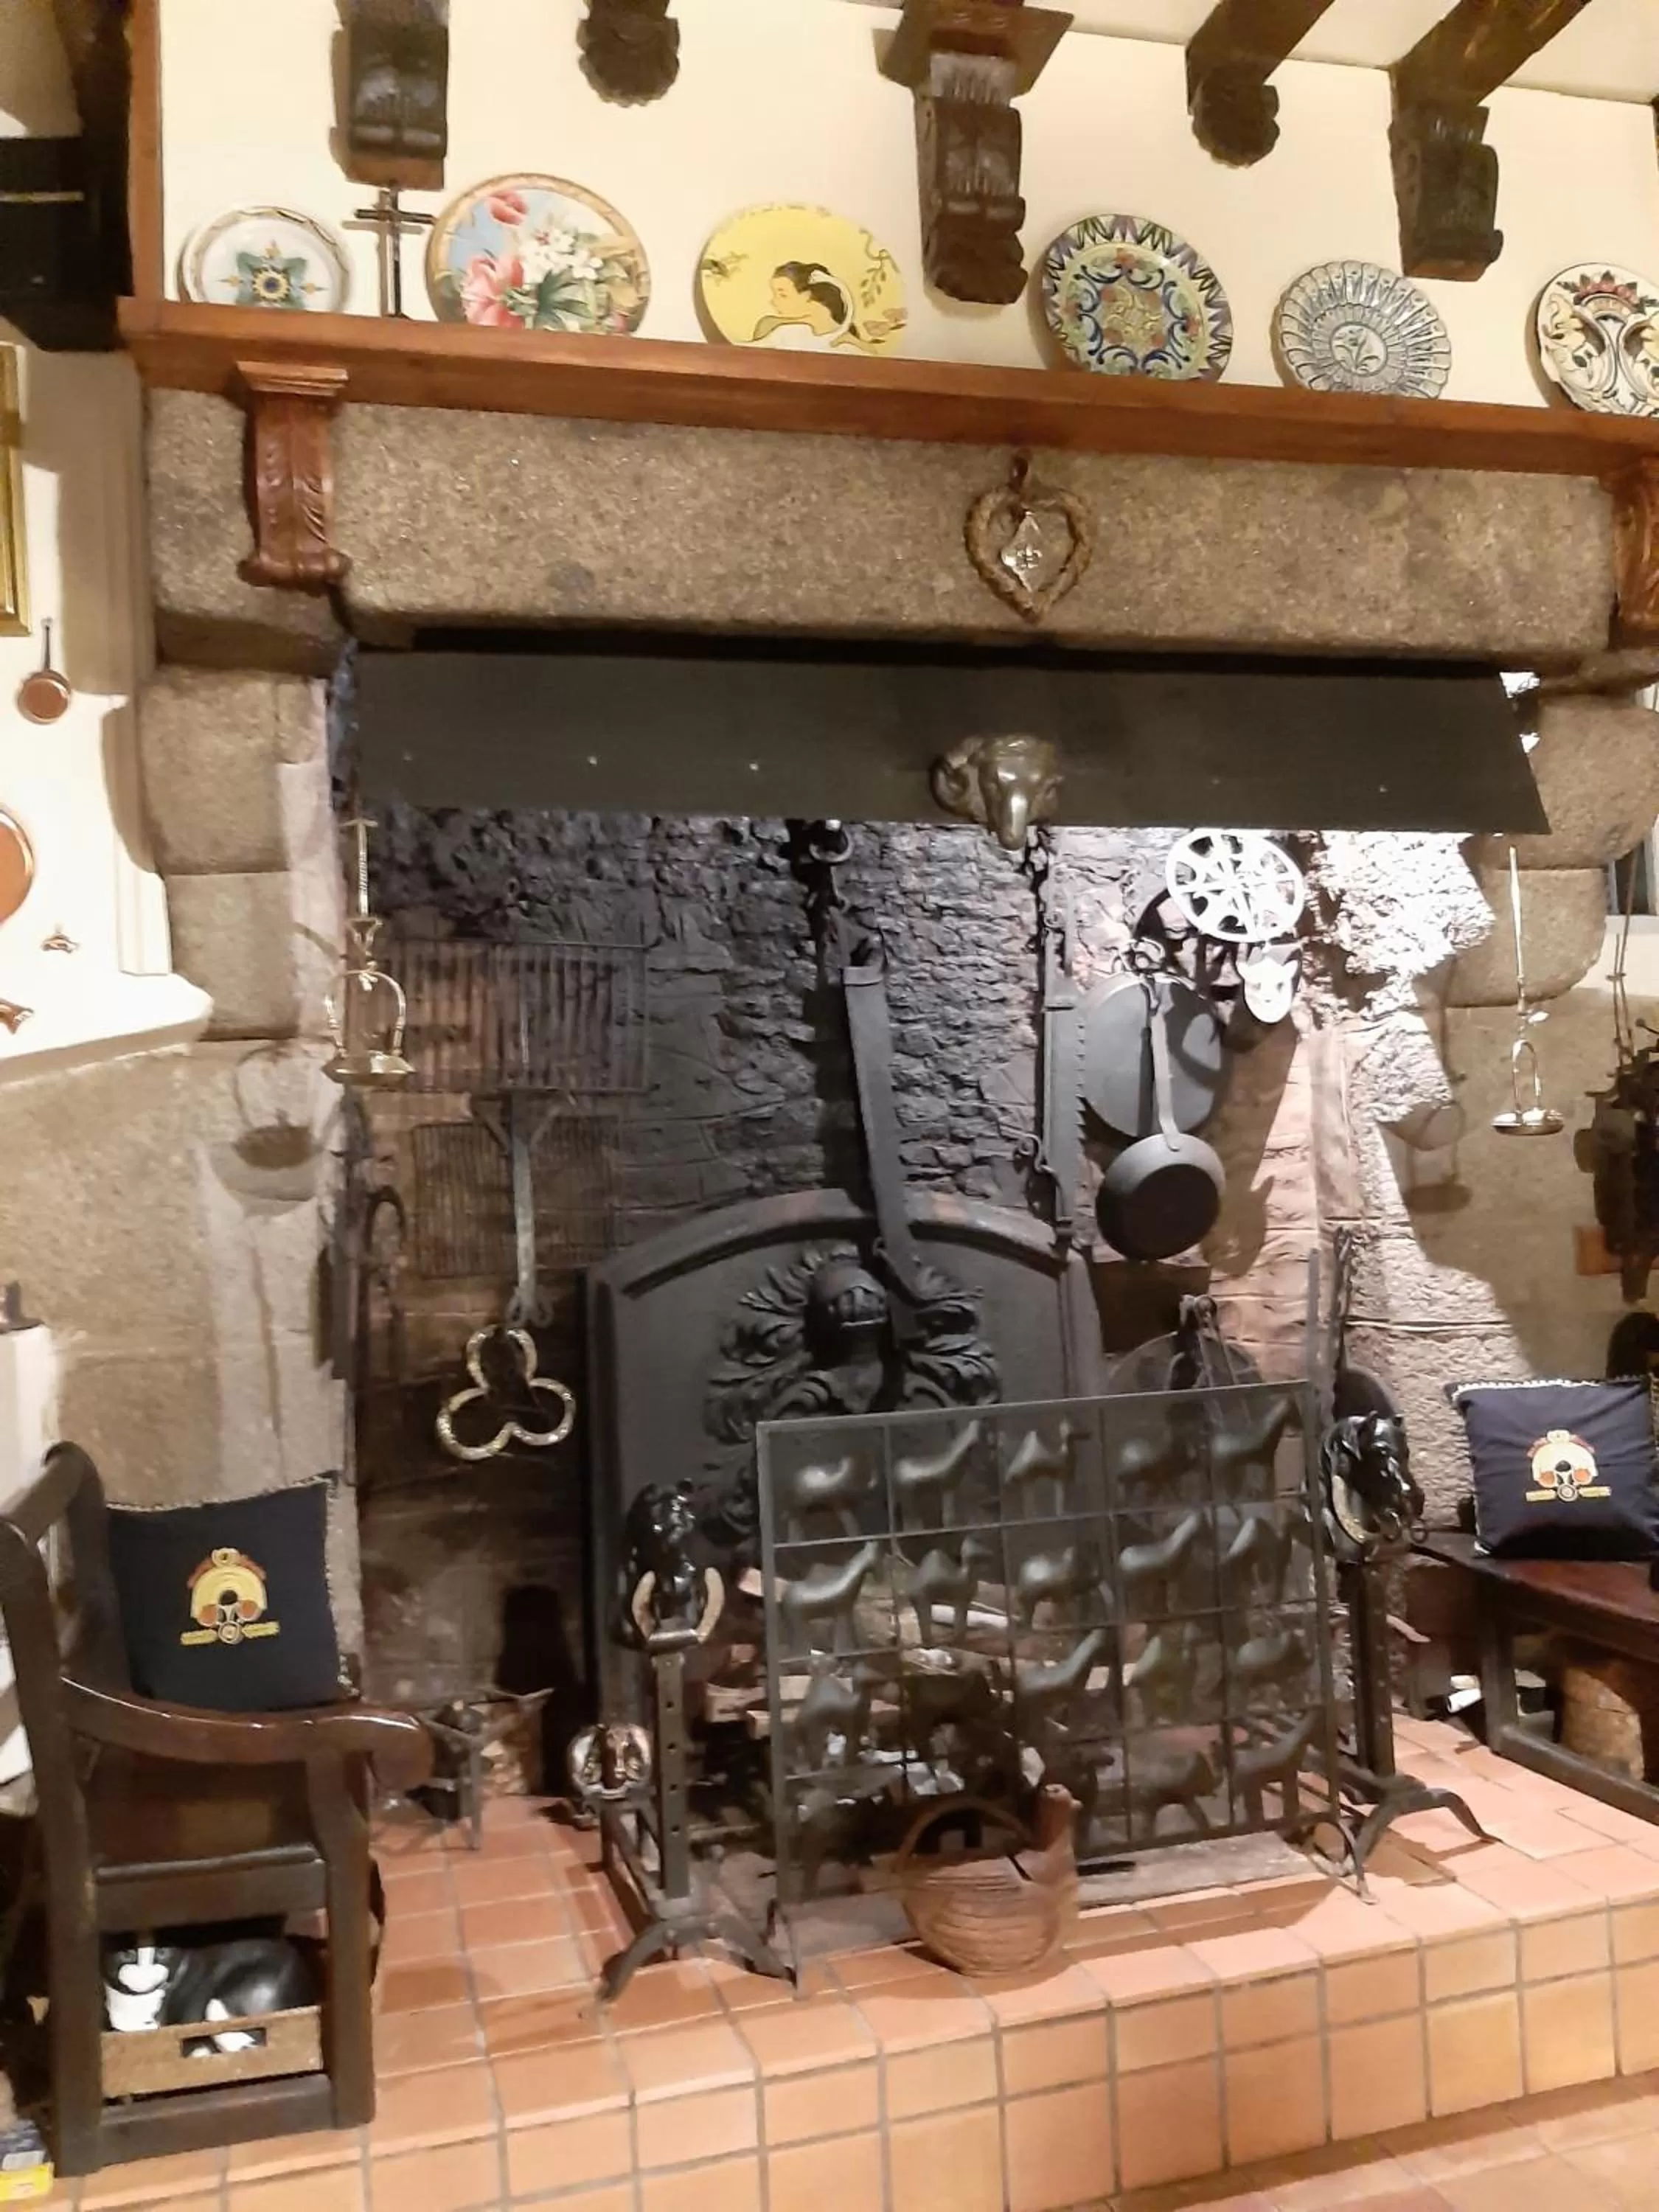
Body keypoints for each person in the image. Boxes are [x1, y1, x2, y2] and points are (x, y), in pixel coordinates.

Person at [751, 261, 855, 351]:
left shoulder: (848, 346)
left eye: (783, 295)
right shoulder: (784, 334)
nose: (773, 302)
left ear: (809, 294)